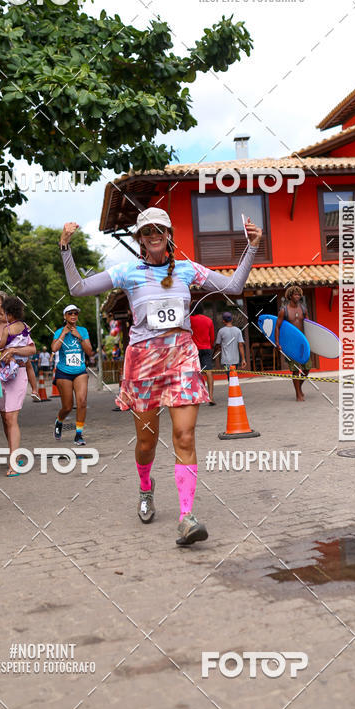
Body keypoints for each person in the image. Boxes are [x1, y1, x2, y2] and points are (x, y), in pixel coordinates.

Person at [59, 207, 262, 546]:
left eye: (160, 229)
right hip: (143, 365)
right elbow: (78, 288)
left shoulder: (187, 269)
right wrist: (66, 248)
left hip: (181, 359)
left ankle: (186, 517)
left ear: (169, 234)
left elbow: (235, 285)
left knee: (184, 436)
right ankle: (145, 486)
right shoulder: (128, 271)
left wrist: (252, 247)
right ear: (139, 238)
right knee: (147, 443)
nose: (154, 234)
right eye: (146, 230)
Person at [0, 290, 36, 476]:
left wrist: (12, 350)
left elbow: (31, 350)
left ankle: (14, 464)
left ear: (5, 307)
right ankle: (15, 453)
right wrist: (2, 357)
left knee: (11, 418)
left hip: (16, 376)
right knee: (5, 418)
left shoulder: (20, 326)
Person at [52, 304, 94, 446]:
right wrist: (64, 334)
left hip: (80, 371)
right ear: (65, 316)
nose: (73, 316)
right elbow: (54, 348)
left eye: (75, 313)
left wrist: (80, 337)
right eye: (70, 313)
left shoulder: (82, 331)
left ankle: (78, 434)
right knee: (67, 407)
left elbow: (90, 352)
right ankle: (59, 421)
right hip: (64, 372)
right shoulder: (59, 332)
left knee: (82, 402)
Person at [275, 285, 313, 401]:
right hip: (291, 344)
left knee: (307, 368)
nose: (297, 296)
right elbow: (277, 326)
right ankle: (298, 394)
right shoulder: (284, 310)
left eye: (299, 295)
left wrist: (313, 341)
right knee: (295, 370)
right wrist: (277, 343)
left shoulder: (303, 309)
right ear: (290, 296)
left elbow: (309, 325)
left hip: (303, 343)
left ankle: (299, 387)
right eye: (295, 294)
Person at [190, 308, 216, 405]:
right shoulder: (208, 320)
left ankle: (197, 396)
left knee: (195, 372)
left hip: (195, 349)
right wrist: (211, 345)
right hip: (207, 347)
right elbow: (212, 336)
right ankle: (211, 397)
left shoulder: (190, 320)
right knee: (209, 371)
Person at [214, 312, 247, 377]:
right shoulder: (238, 330)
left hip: (226, 361)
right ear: (232, 320)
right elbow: (241, 345)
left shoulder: (221, 331)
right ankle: (233, 386)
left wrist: (215, 352)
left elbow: (217, 344)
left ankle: (233, 386)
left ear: (223, 321)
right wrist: (243, 359)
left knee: (230, 376)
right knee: (233, 376)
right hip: (235, 360)